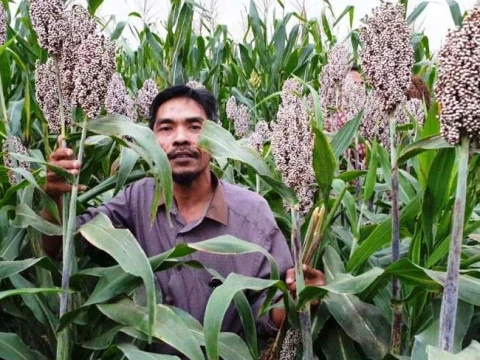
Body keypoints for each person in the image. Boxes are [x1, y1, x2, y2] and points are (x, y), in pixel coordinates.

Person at [41, 85, 325, 352]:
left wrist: (300, 299)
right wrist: (53, 198)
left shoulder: (252, 212)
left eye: (195, 127)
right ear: (149, 139)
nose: (181, 138)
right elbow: (62, 248)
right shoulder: (135, 200)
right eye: (166, 128)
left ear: (217, 138)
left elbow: (269, 312)